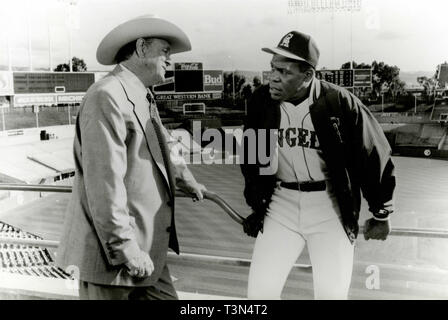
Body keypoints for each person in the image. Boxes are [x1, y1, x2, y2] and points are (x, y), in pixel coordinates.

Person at [56, 15, 206, 300]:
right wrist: (127, 250)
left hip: (147, 251)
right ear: (141, 48)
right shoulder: (107, 95)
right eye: (165, 51)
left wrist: (186, 179)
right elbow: (105, 184)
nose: (169, 60)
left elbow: (162, 146)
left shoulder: (140, 94)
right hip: (114, 260)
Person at [240, 31, 396, 299]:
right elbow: (253, 159)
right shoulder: (261, 101)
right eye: (272, 69)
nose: (273, 77)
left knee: (331, 295)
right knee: (259, 295)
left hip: (330, 207)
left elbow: (372, 156)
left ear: (307, 75)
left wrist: (381, 212)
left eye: (284, 71)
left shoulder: (340, 102)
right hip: (281, 205)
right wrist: (257, 204)